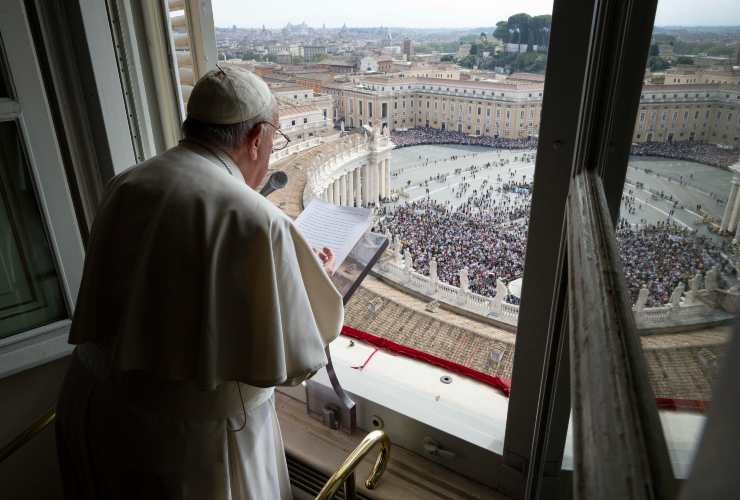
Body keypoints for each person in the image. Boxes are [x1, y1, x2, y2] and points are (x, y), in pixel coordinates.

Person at [55, 66, 344, 500]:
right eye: (274, 142)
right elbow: (300, 358)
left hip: (94, 409)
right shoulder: (256, 219)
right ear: (256, 139)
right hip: (190, 446)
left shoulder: (127, 182)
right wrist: (312, 282)